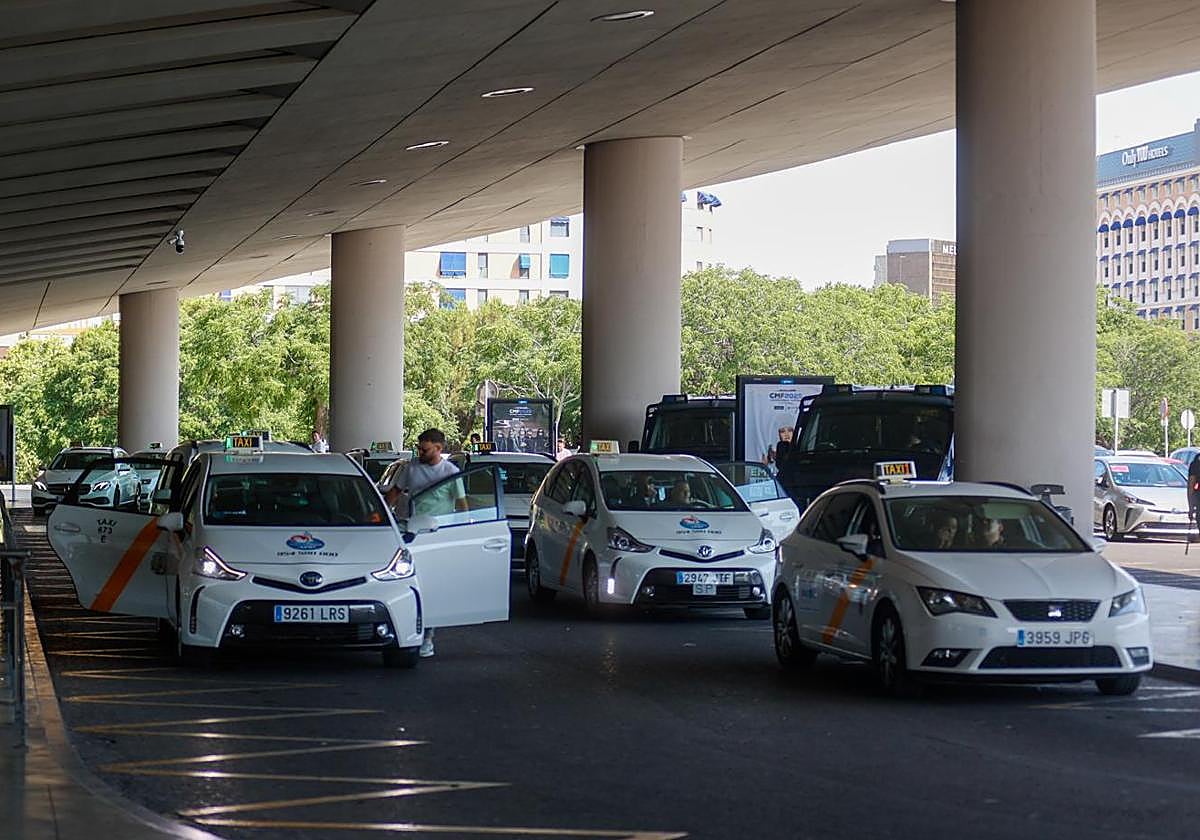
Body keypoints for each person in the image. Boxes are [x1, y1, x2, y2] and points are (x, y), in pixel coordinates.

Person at [381, 428, 462, 658]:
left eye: (425, 448)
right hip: (411, 532)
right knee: (411, 583)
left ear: (439, 448)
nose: (420, 452)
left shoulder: (451, 472)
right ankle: (408, 630)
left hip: (438, 535)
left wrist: (465, 529)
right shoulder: (411, 468)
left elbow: (462, 504)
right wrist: (380, 516)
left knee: (432, 586)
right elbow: (394, 493)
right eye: (419, 447)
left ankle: (428, 636)